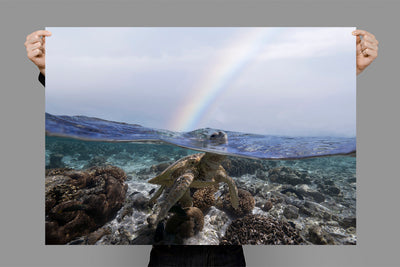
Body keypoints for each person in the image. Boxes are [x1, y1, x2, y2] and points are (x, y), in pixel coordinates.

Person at [25, 28, 378, 267]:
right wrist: (51, 75)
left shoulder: (229, 163)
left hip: (216, 247)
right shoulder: (196, 156)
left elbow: (228, 185)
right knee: (173, 195)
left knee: (220, 191)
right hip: (175, 221)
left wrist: (352, 77)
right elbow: (180, 178)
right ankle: (157, 210)